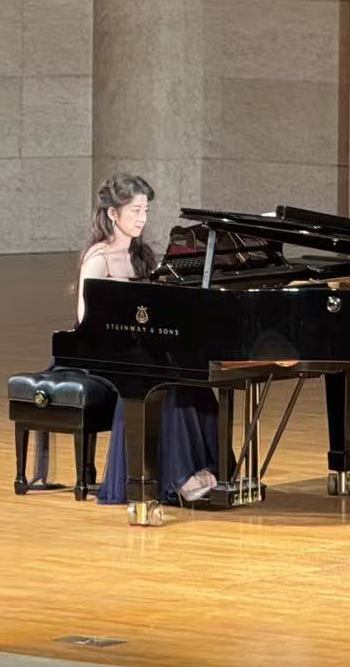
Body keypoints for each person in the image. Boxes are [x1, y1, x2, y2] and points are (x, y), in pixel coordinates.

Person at [76, 172, 222, 507]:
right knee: (163, 382)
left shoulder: (143, 255)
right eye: (135, 211)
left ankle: (209, 469)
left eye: (145, 211)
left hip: (139, 348)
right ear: (113, 213)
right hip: (101, 351)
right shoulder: (98, 259)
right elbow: (86, 321)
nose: (142, 218)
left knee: (193, 376)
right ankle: (177, 478)